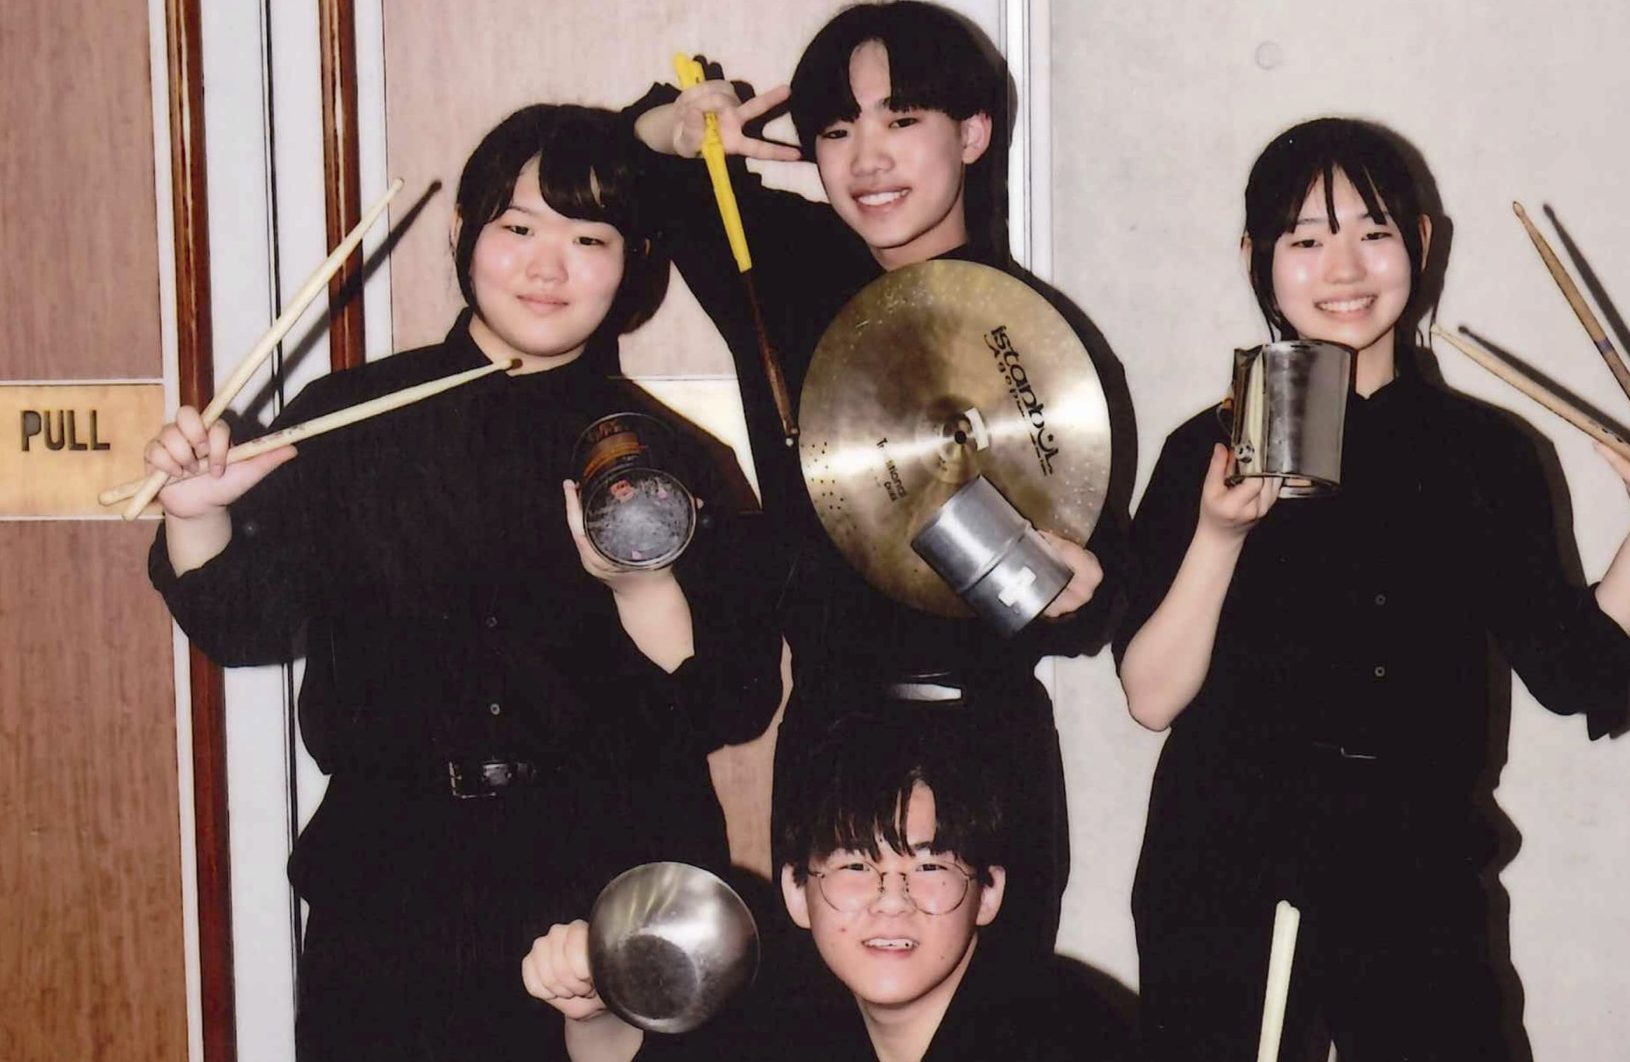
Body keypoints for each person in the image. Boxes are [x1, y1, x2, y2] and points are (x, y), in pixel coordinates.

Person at [144, 104, 781, 1061]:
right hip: (391, 893)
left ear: (635, 261)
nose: (546, 267)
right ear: (461, 233)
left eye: (589, 239)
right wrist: (196, 513)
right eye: (517, 227)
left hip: (603, 904)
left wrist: (634, 587)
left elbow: (731, 700)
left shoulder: (678, 461)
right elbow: (242, 626)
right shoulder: (348, 417)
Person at [1115, 118, 1630, 1060]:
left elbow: (1567, 672)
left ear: (1421, 242)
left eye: (1373, 231)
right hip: (1230, 867)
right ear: (1254, 256)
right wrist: (1220, 535)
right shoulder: (1211, 447)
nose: (1343, 268)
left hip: (1419, 869)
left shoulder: (1487, 452)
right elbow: (1151, 698)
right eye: (1306, 239)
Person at [621, 0, 1126, 954]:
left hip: (988, 749)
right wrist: (669, 127)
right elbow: (617, 174)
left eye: (902, 120)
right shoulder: (786, 268)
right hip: (829, 731)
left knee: (996, 1017)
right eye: (836, 130)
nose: (867, 159)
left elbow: (1093, 608)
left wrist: (1081, 594)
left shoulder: (1043, 334)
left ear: (971, 134)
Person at [524, 717, 1132, 1062]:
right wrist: (596, 1010)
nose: (891, 902)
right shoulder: (791, 1017)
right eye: (857, 867)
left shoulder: (1075, 1036)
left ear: (989, 892)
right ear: (796, 892)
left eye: (928, 869)